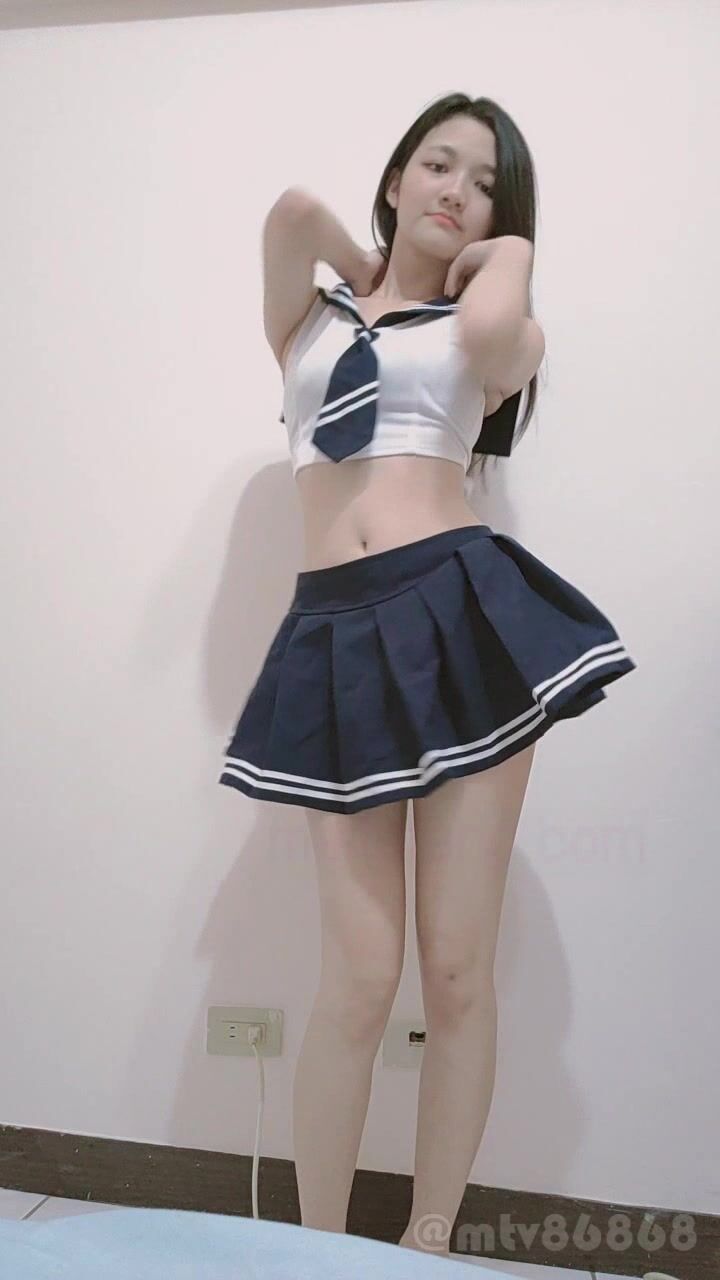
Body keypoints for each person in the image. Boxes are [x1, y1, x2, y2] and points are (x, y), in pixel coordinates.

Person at [218, 93, 636, 1254]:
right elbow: (290, 213)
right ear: (397, 178)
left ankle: (429, 1243)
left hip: (458, 615)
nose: (458, 190)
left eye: (487, 184)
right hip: (334, 636)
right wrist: (366, 267)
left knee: (454, 971)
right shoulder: (306, 324)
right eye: (438, 165)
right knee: (358, 974)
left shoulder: (497, 332)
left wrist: (506, 250)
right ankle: (315, 1247)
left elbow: (498, 319)